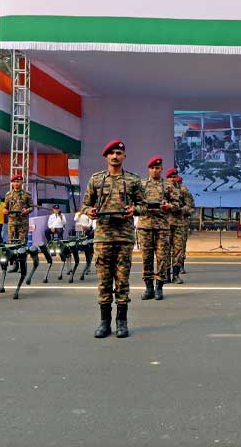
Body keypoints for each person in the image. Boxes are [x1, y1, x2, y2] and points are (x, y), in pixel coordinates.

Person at [82, 140, 144, 338]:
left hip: (124, 237)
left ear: (124, 156)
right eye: (111, 153)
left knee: (122, 280)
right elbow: (85, 204)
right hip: (102, 237)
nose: (115, 156)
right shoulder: (96, 179)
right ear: (106, 157)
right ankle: (104, 322)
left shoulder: (133, 180)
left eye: (118, 153)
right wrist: (89, 211)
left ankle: (122, 322)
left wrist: (134, 209)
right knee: (104, 281)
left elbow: (143, 205)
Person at [164, 167, 188, 285]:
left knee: (178, 250)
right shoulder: (161, 189)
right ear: (167, 178)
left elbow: (190, 206)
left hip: (179, 224)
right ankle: (166, 275)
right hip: (165, 224)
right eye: (171, 177)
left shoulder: (183, 190)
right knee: (165, 250)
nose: (173, 179)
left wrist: (179, 210)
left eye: (175, 177)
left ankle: (176, 275)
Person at [173, 174, 195, 276]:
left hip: (182, 223)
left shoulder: (184, 190)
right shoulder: (167, 189)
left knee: (181, 245)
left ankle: (180, 265)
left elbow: (191, 207)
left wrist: (182, 211)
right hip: (168, 223)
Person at [3, 175, 33, 244]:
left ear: (22, 182)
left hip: (23, 222)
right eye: (14, 182)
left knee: (22, 242)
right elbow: (5, 207)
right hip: (12, 222)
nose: (16, 183)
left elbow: (31, 207)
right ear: (12, 183)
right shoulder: (8, 194)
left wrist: (27, 210)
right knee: (11, 242)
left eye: (18, 182)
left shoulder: (27, 194)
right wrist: (5, 211)